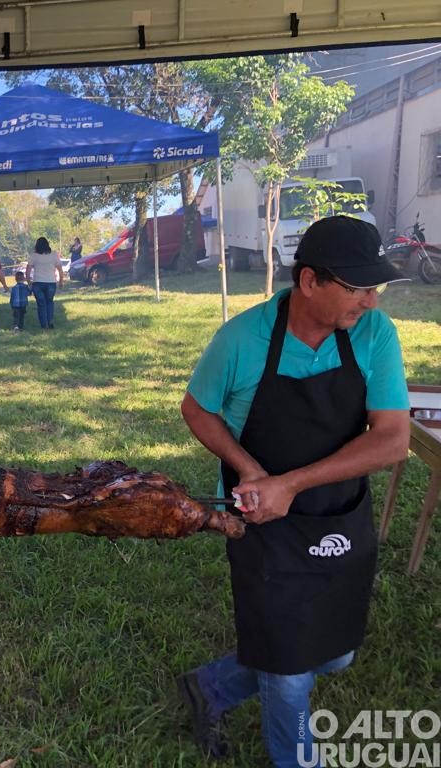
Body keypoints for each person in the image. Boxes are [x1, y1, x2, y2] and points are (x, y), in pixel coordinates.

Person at [176, 216, 410, 767]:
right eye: (358, 288)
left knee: (334, 655)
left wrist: (293, 483)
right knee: (288, 674)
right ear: (310, 281)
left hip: (337, 513)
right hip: (262, 520)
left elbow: (393, 439)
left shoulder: (375, 335)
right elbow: (197, 408)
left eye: (375, 287)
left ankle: (210, 686)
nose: (370, 302)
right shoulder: (242, 338)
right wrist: (251, 470)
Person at [26, 236, 64, 329]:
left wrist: (29, 281)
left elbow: (28, 270)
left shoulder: (34, 256)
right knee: (49, 302)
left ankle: (44, 325)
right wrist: (61, 281)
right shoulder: (54, 255)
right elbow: (60, 269)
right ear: (47, 245)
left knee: (41, 304)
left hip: (38, 283)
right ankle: (50, 321)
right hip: (51, 282)